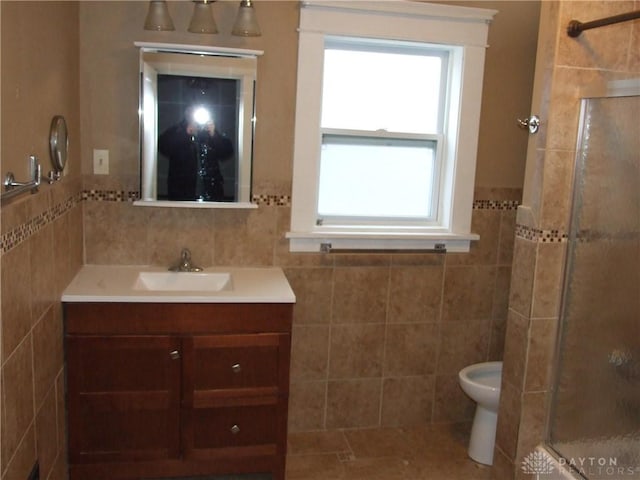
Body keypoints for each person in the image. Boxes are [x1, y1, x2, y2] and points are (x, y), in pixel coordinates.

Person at [158, 106, 234, 201]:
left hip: (211, 193)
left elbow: (227, 152)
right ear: (186, 112)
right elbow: (163, 147)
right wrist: (185, 133)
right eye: (192, 111)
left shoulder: (210, 131)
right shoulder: (177, 130)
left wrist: (214, 136)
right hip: (181, 193)